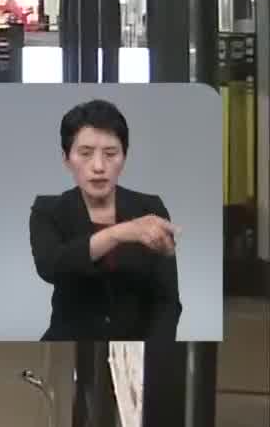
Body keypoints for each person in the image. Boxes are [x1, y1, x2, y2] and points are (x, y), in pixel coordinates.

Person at [28, 99, 180, 341]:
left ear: (124, 157)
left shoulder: (150, 208)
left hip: (136, 347)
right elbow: (52, 267)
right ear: (66, 159)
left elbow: (168, 301)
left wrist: (154, 352)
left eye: (110, 154)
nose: (98, 166)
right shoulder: (48, 209)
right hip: (69, 345)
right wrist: (117, 233)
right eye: (85, 154)